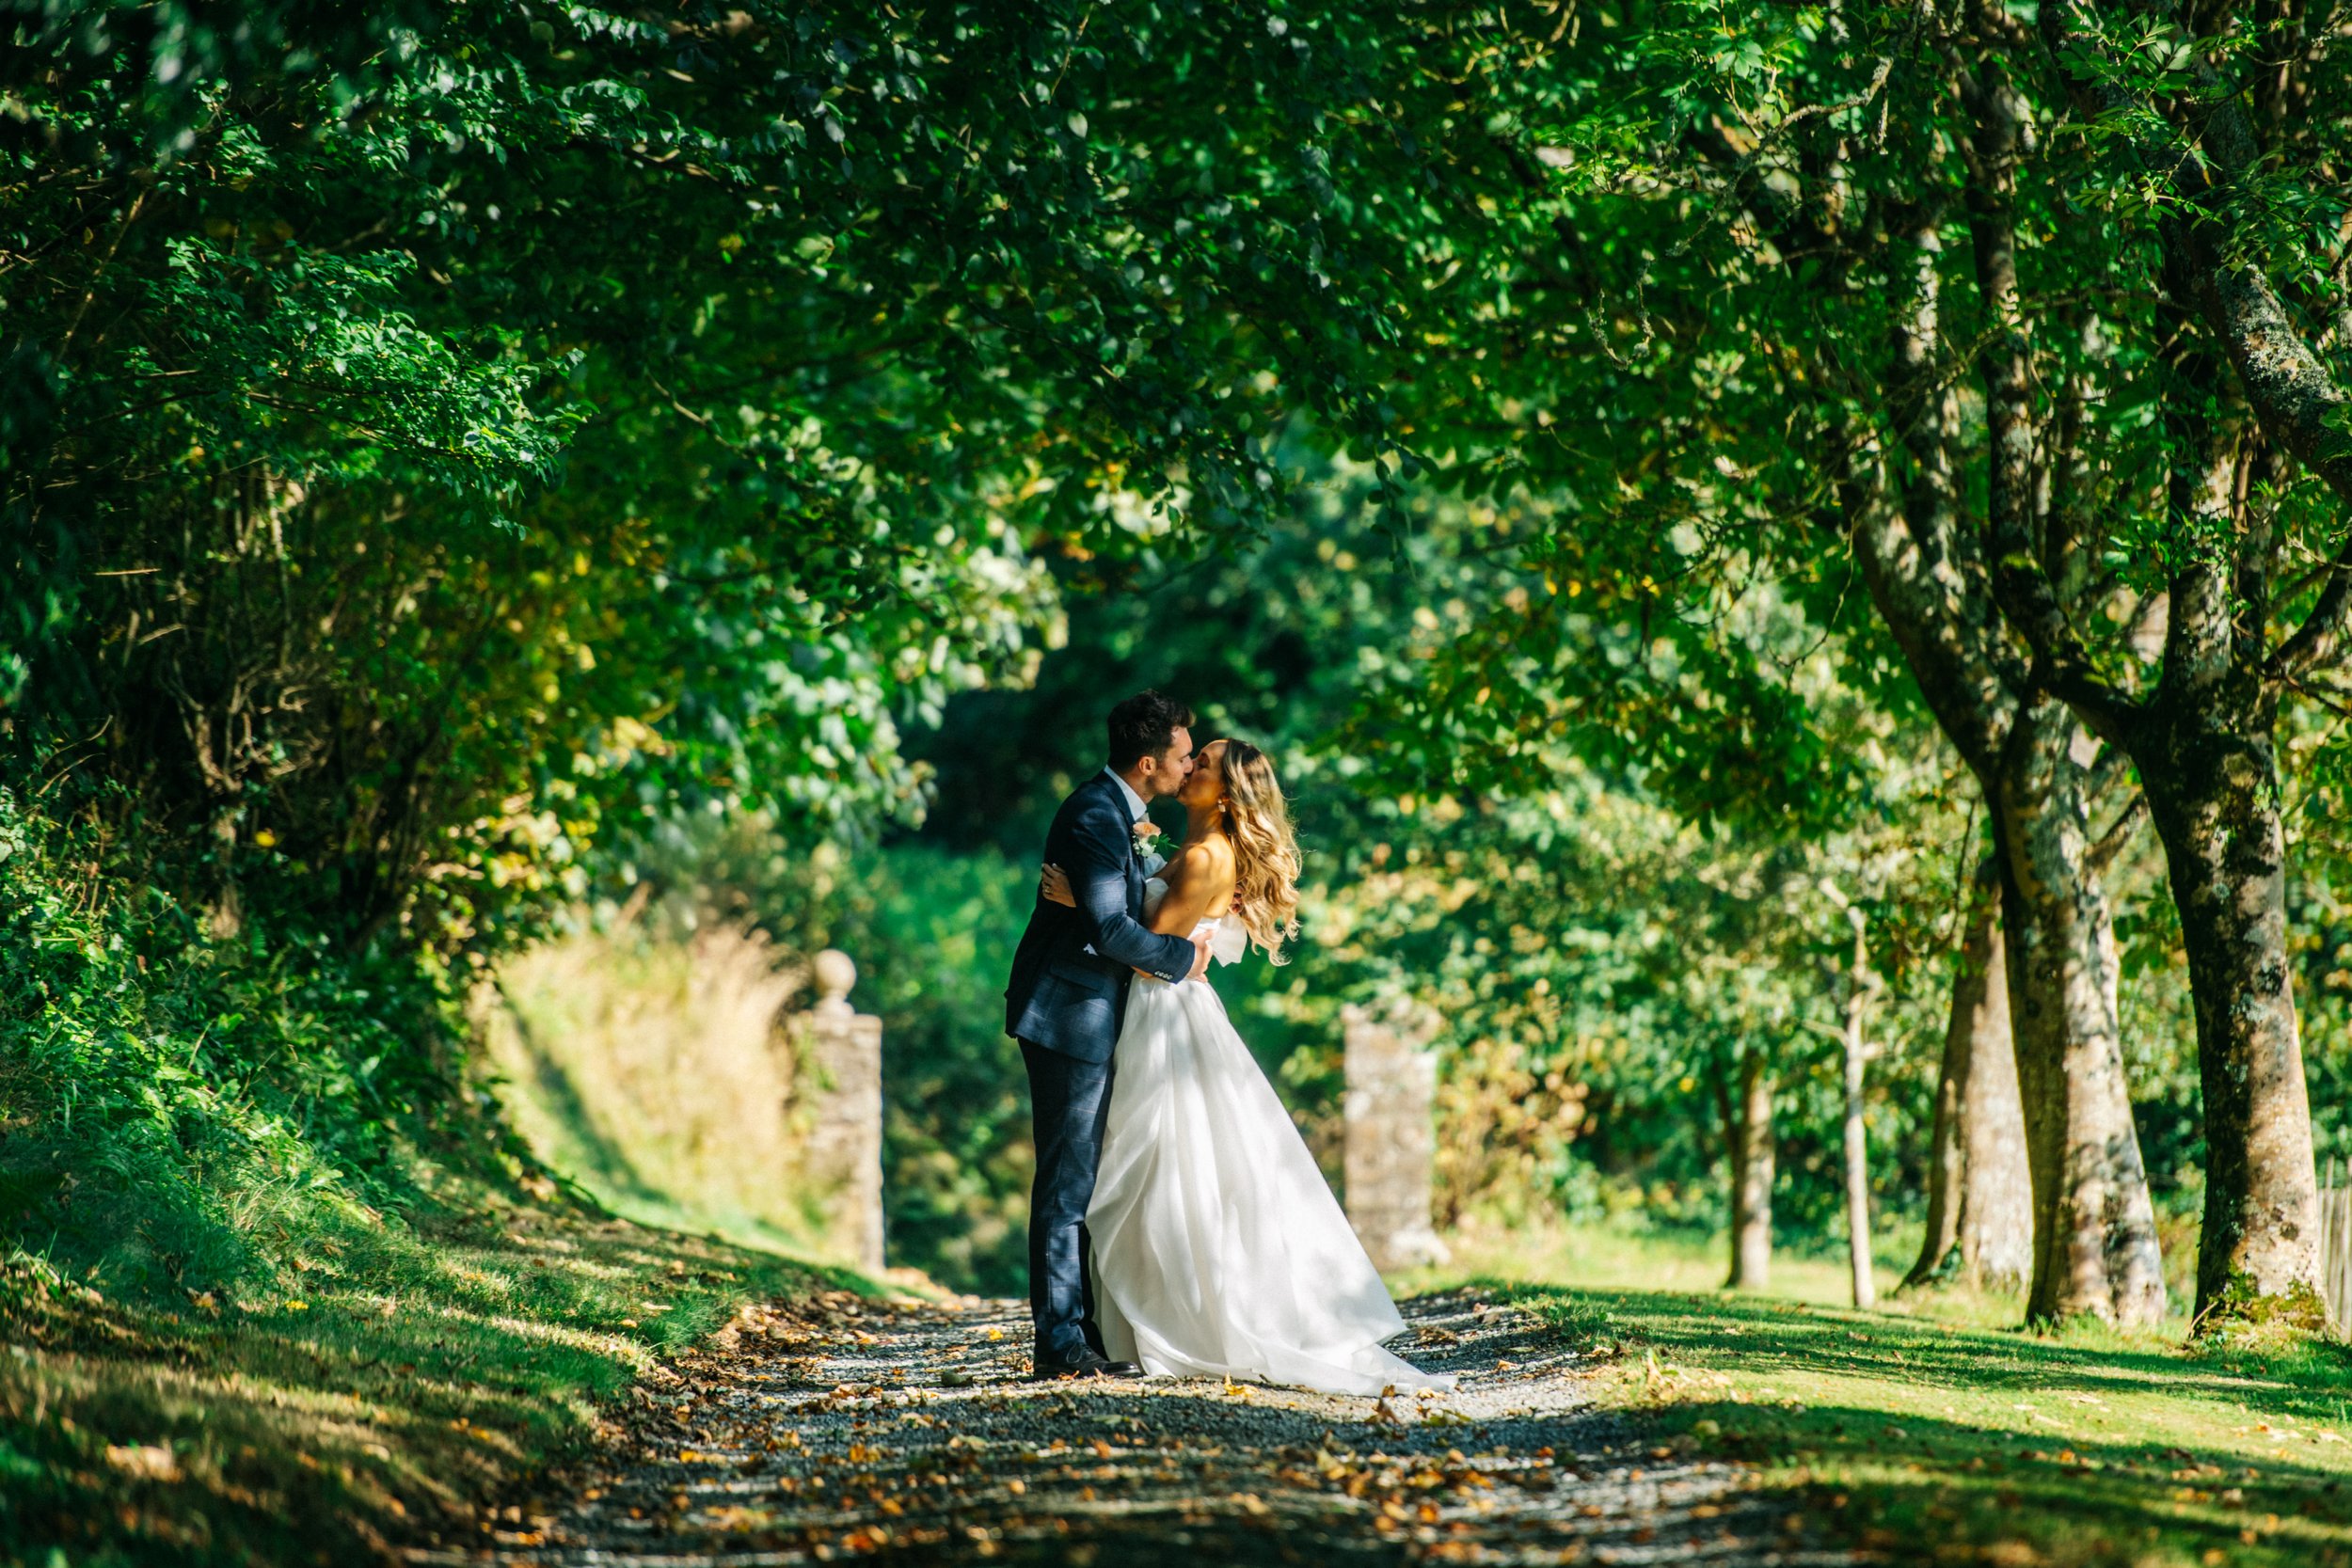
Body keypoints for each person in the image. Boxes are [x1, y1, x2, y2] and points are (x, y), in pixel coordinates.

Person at [1037, 736, 1453, 1395]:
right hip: (1160, 1005)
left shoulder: (1206, 854)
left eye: (1202, 763)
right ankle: (1145, 1315)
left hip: (1162, 1012)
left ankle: (1186, 1319)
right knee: (1159, 1161)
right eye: (1192, 755)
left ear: (1225, 792)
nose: (1189, 765)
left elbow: (1149, 949)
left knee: (1161, 1161)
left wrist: (1077, 903)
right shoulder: (1191, 847)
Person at [1003, 691, 1214, 1380]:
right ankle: (1060, 1346)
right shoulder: (1096, 815)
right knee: (1066, 1186)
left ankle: (1086, 1334)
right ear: (1149, 762)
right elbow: (1112, 932)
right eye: (1184, 756)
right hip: (1068, 1015)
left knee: (1086, 1181)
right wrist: (1188, 961)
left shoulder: (1121, 814)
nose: (1190, 766)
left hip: (1098, 1011)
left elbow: (1111, 910)